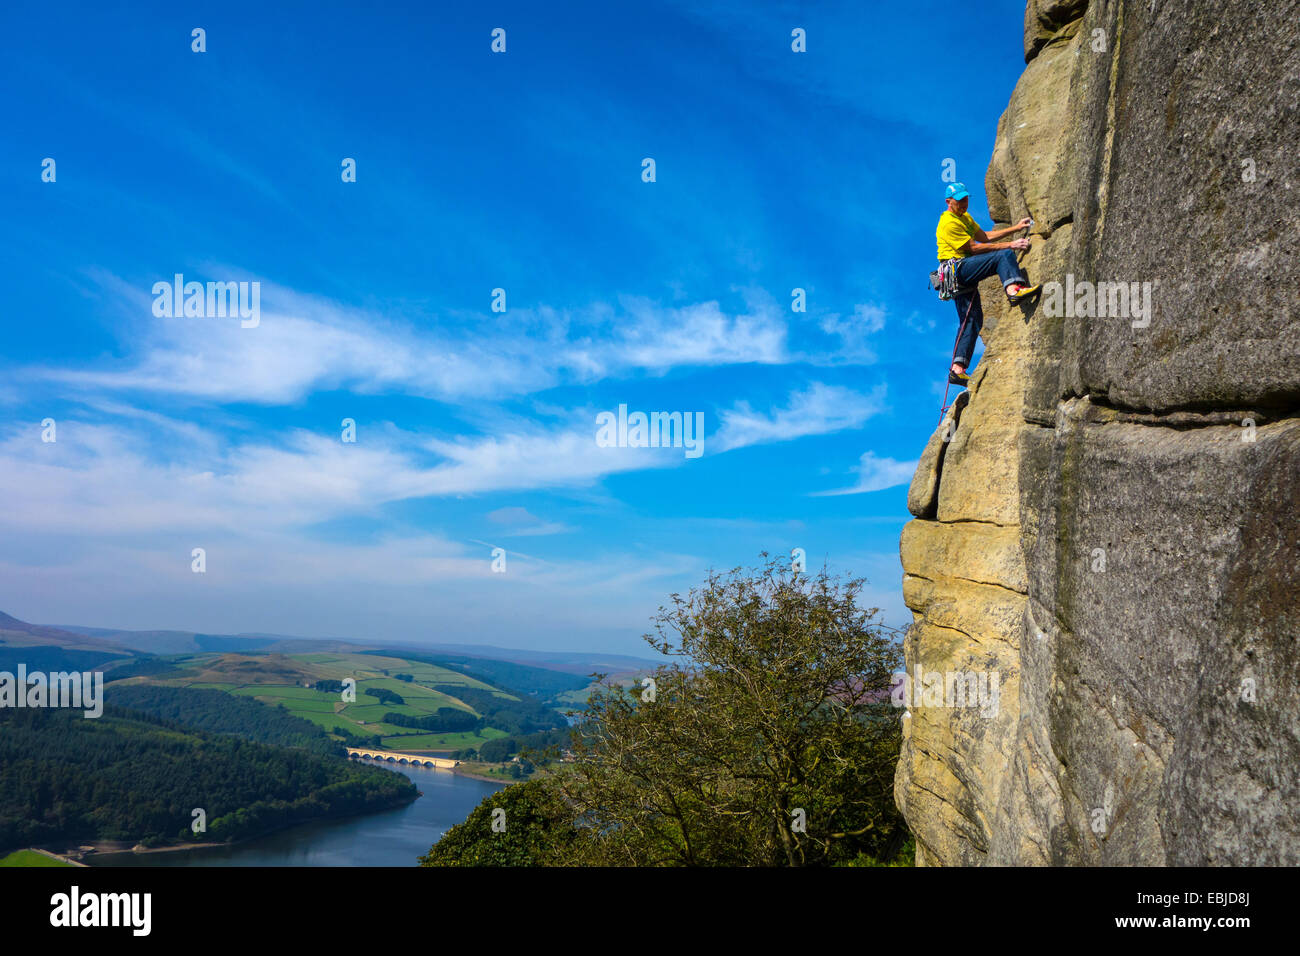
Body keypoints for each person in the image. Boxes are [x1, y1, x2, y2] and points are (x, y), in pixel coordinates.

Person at [936, 182, 1039, 385]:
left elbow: (984, 236)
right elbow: (974, 248)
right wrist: (1011, 244)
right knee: (1002, 256)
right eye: (959, 201)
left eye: (965, 199)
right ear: (949, 202)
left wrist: (1016, 228)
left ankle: (957, 369)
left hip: (959, 273)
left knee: (971, 319)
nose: (964, 204)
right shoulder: (948, 222)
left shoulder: (964, 218)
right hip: (957, 269)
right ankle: (1013, 289)